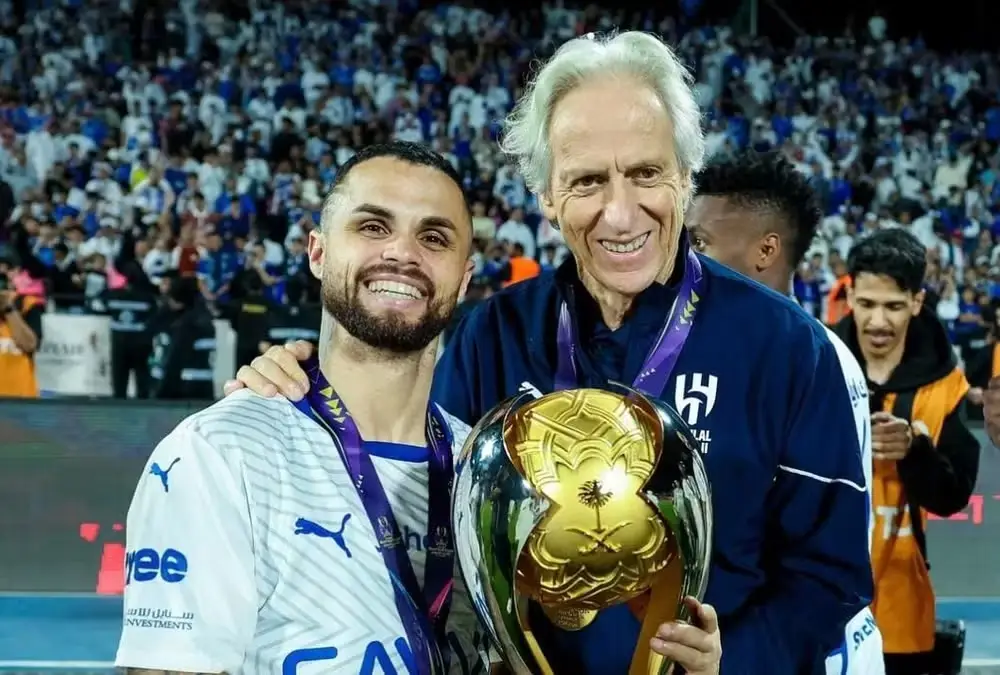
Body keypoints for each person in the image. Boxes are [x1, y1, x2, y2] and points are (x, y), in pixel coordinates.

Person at [227, 32, 872, 674]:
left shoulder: (790, 349)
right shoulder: (492, 335)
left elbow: (831, 573)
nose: (621, 214)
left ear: (683, 175)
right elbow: (419, 502)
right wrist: (297, 387)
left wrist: (730, 664)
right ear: (546, 196)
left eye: (645, 173)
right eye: (588, 180)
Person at [116, 141, 492, 674]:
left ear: (465, 279)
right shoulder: (221, 455)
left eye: (433, 237)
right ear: (318, 253)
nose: (403, 253)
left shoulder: (485, 475)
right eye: (373, 227)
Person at [686, 151, 884, 675]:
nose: (684, 259)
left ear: (765, 250)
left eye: (700, 242)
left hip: (809, 647)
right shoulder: (763, 349)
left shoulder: (814, 358)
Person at [832, 229, 979, 675]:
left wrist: (915, 451)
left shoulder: (947, 386)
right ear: (850, 295)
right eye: (868, 304)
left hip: (902, 610)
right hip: (820, 604)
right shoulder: (818, 366)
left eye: (894, 306)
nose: (878, 321)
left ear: (917, 302)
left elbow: (953, 497)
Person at [0, 255, 44, 398]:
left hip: (20, 398)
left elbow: (29, 345)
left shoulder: (29, 305)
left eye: (8, 269)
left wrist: (8, 309)